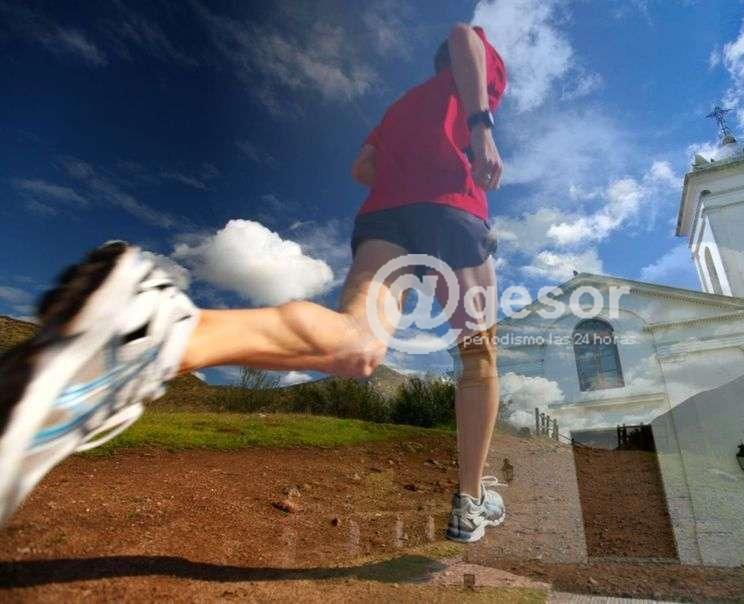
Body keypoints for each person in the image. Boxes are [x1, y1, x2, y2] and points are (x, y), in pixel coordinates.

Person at [0, 23, 507, 544]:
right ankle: (470, 499)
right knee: (478, 354)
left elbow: (364, 168)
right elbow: (465, 33)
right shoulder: (475, 73)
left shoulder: (401, 106)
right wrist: (480, 127)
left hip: (385, 217)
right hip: (453, 205)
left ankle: (159, 332)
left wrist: (407, 169)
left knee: (358, 342)